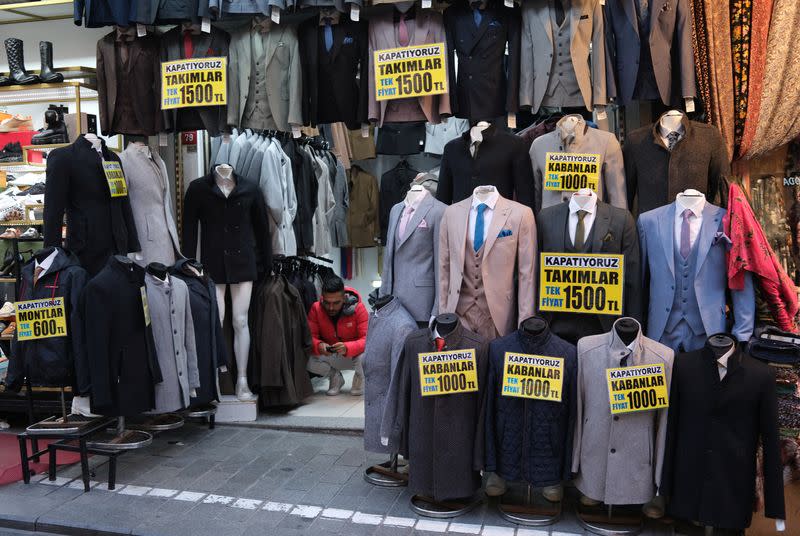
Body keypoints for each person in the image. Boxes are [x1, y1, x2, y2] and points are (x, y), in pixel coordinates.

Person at [307, 276, 368, 396]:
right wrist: (319, 345)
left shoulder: (358, 308)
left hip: (354, 357)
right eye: (327, 302)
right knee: (306, 359)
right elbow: (310, 337)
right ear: (322, 297)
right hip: (331, 355)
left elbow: (368, 340)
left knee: (366, 357)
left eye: (336, 303)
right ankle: (335, 377)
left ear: (344, 298)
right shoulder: (316, 308)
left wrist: (347, 347)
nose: (331, 307)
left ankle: (359, 378)